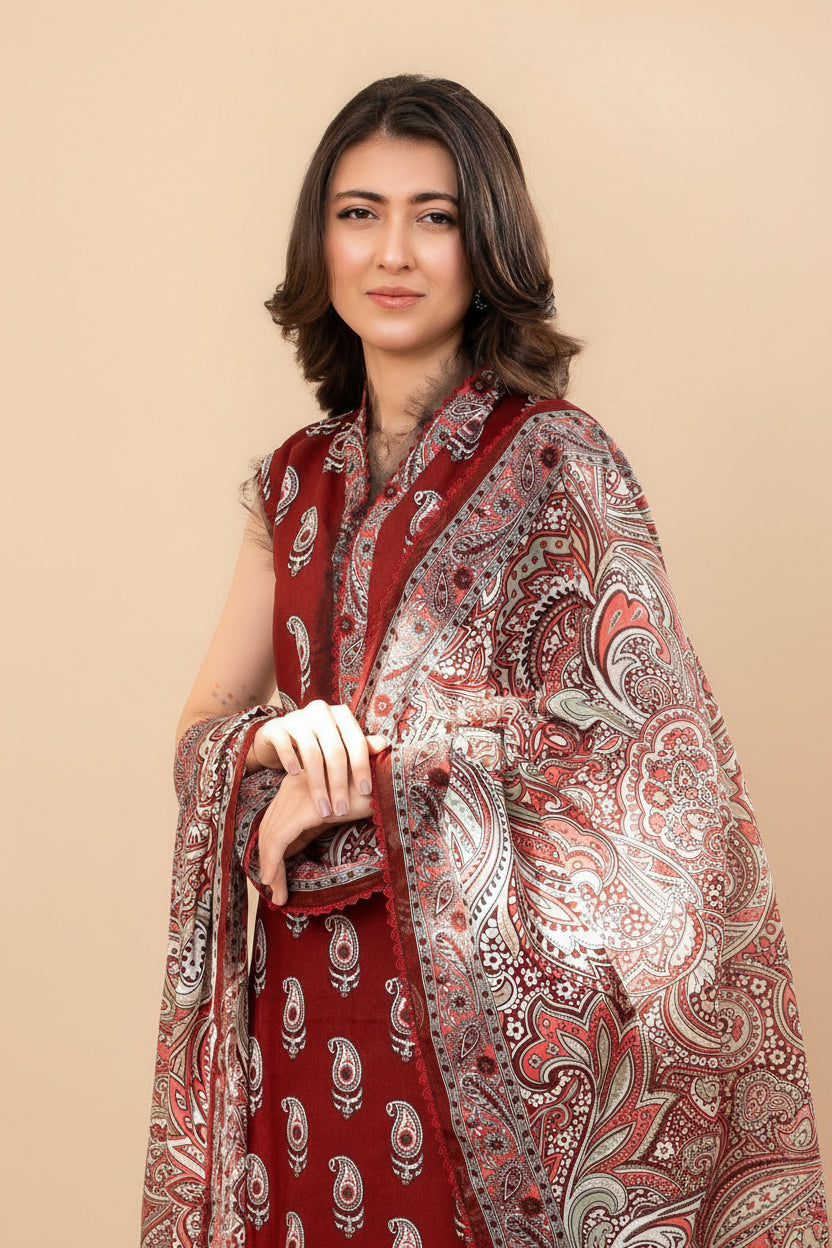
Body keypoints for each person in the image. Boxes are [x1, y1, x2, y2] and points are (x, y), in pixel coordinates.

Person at [141, 75, 828, 1248]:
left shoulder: (561, 462)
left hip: (482, 1039)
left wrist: (371, 773)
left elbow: (645, 769)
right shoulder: (289, 484)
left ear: (487, 243)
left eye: (436, 216)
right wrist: (269, 742)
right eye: (358, 213)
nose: (392, 252)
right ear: (319, 240)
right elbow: (204, 724)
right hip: (304, 1003)